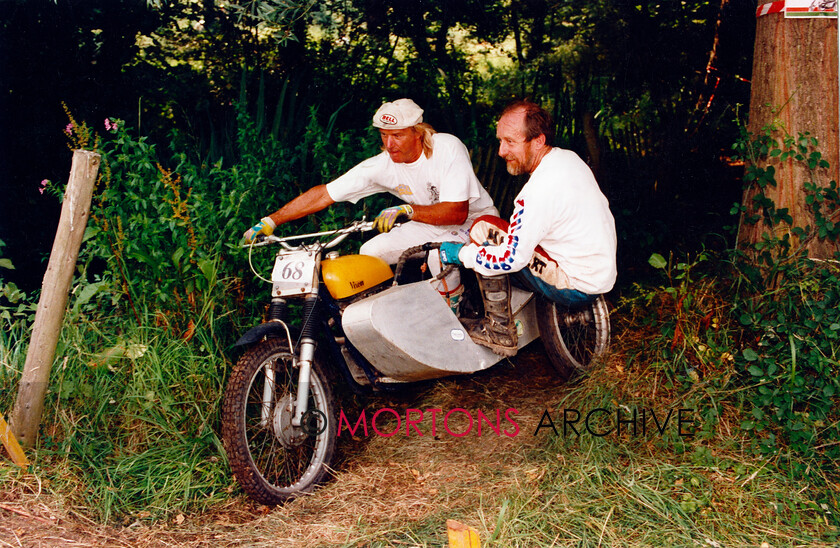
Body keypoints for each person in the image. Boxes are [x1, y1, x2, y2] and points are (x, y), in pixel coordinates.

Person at [243, 98, 498, 307]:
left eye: (397, 136)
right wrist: (271, 220)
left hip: (475, 221)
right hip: (425, 222)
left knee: (437, 256)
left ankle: (455, 309)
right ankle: (394, 316)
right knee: (369, 253)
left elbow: (456, 212)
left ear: (418, 133)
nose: (389, 145)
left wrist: (407, 210)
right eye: (384, 135)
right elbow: (324, 194)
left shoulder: (447, 148)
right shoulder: (382, 165)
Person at [438, 99, 617, 356]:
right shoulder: (568, 159)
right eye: (500, 141)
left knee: (482, 229)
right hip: (600, 272)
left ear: (538, 141)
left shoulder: (536, 193)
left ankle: (498, 330)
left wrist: (461, 255)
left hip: (576, 284)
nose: (501, 151)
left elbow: (511, 259)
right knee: (501, 233)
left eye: (510, 142)